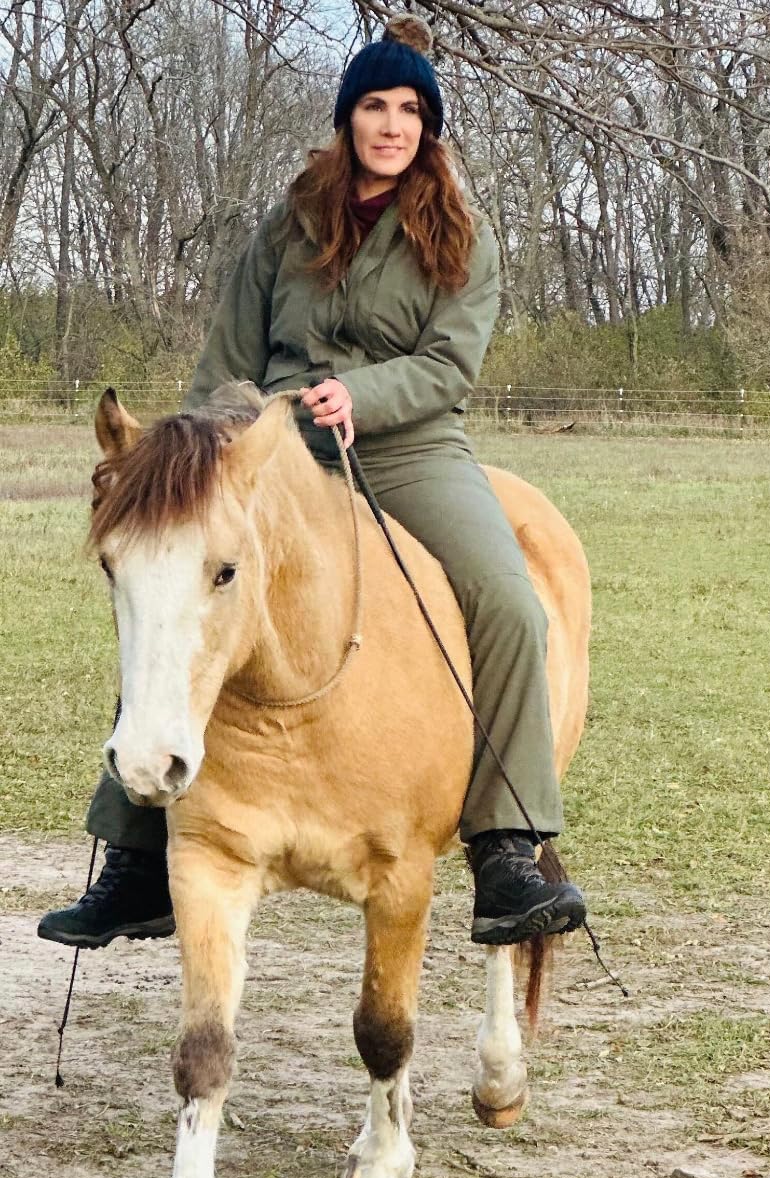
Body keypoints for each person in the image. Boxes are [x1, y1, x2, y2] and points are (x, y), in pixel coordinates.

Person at [38, 14, 586, 951]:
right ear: (347, 118)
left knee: (508, 600)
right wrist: (201, 455)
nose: (392, 125)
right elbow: (227, 360)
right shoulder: (287, 226)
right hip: (275, 450)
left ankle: (505, 844)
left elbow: (448, 366)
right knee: (168, 581)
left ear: (428, 126)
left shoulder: (463, 235)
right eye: (375, 106)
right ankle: (135, 858)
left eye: (410, 110)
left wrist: (362, 394)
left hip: (408, 449)